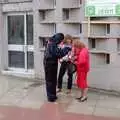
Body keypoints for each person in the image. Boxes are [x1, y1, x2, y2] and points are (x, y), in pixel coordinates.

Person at [43, 33, 71, 102]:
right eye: (61, 40)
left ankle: (53, 95)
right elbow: (58, 54)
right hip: (49, 65)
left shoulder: (52, 42)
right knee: (50, 81)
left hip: (51, 64)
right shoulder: (51, 44)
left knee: (53, 80)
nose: (61, 42)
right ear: (58, 39)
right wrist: (67, 49)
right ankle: (51, 97)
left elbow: (56, 52)